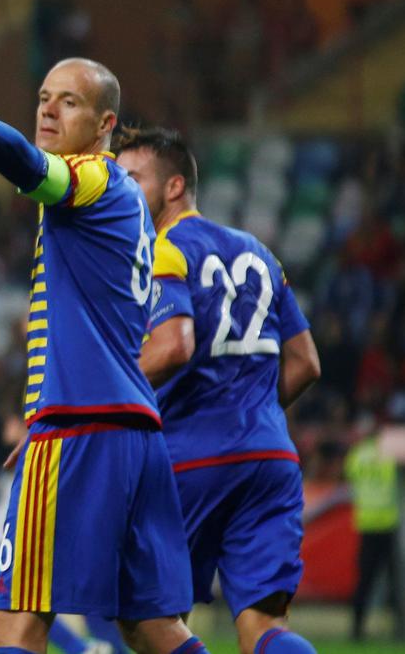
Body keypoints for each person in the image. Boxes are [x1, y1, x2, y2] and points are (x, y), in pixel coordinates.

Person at [0, 59, 202, 654]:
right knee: (149, 627)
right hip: (133, 434)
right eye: (43, 97)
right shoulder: (128, 207)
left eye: (68, 102)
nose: (47, 109)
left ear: (104, 123)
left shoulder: (93, 176)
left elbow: (25, 164)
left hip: (79, 431)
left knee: (14, 623)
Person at [120, 127, 321, 654]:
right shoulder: (259, 254)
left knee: (149, 621)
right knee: (263, 626)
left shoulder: (164, 249)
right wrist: (252, 414)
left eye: (131, 179)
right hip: (271, 456)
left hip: (191, 460)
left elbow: (171, 348)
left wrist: (100, 402)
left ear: (173, 187)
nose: (118, 190)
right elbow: (305, 363)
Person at [344, 418, 405, 642]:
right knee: (394, 581)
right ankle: (401, 630)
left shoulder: (356, 456)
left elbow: (349, 479)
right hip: (388, 526)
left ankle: (356, 630)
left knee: (364, 582)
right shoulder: (389, 456)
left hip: (367, 525)